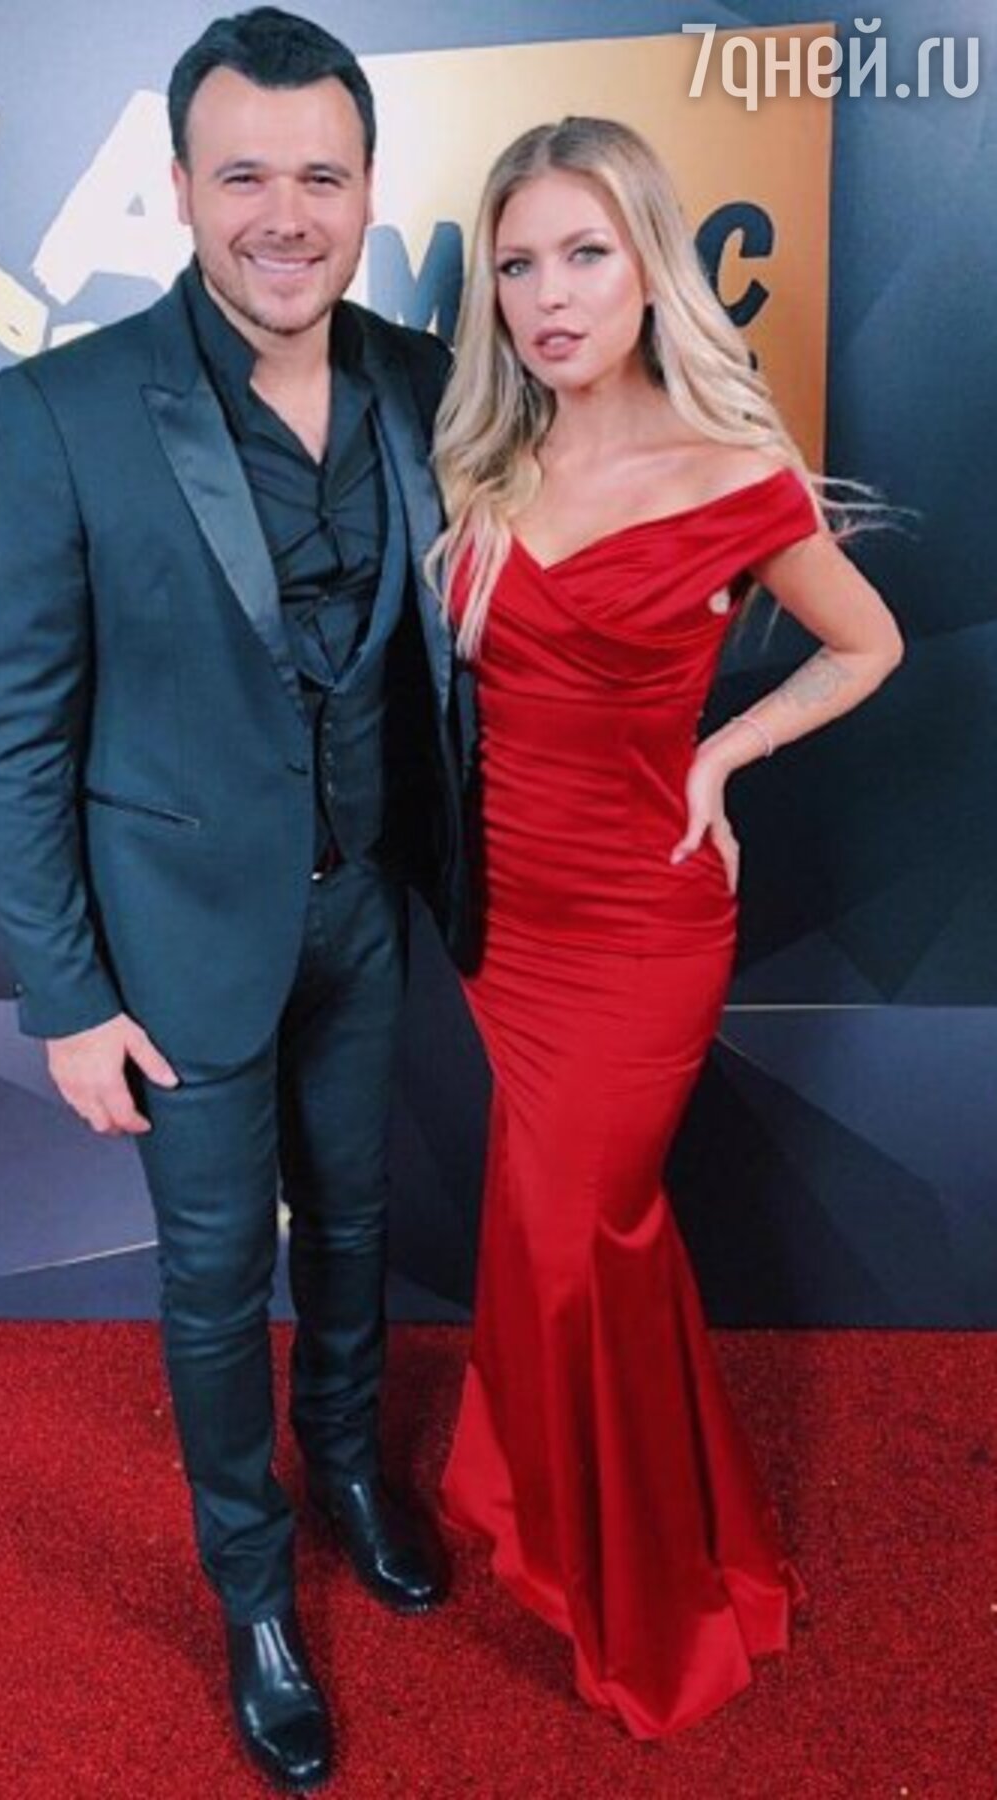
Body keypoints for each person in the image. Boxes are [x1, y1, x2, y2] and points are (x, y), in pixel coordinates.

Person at [0, 10, 473, 1790]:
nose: (284, 214)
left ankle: (349, 1470)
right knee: (209, 1280)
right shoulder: (64, 407)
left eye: (320, 176)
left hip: (365, 912)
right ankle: (252, 1591)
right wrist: (64, 998)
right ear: (178, 187)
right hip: (173, 942)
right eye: (243, 173)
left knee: (355, 1223)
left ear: (367, 191)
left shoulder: (425, 378)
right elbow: (17, 729)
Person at [430, 117, 903, 1740]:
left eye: (584, 254)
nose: (549, 296)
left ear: (650, 266)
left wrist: (723, 751)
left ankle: (659, 1599)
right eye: (516, 265)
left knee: (587, 1236)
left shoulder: (733, 476)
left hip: (642, 921)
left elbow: (867, 645)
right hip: (503, 919)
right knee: (546, 1227)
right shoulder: (477, 464)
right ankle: (538, 1501)